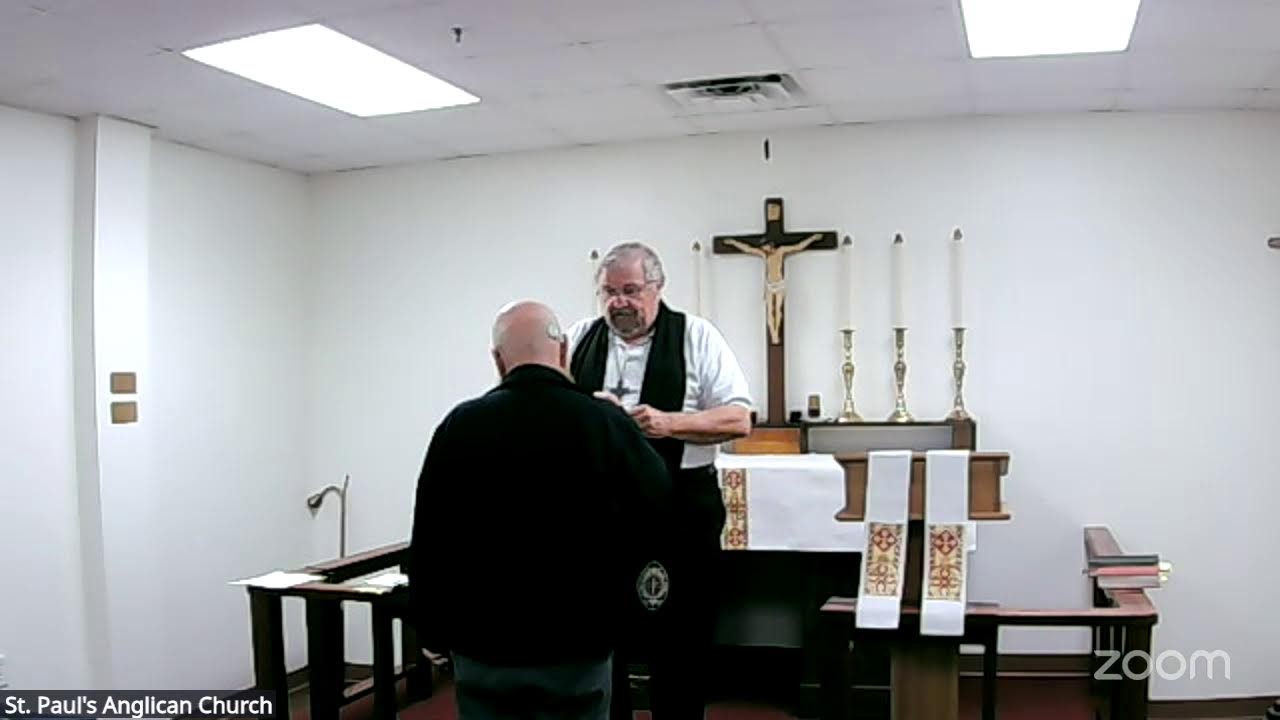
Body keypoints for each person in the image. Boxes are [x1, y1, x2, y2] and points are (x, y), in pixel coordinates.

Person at [407, 300, 672, 720]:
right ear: (564, 351)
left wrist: (433, 629)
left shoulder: (460, 425)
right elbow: (656, 510)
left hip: (485, 643)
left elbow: (430, 537)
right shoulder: (605, 423)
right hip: (578, 643)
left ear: (498, 360)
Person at [566, 241, 754, 719]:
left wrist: (668, 423)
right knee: (602, 634)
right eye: (609, 292)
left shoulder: (696, 336)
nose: (619, 303)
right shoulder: (580, 337)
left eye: (630, 290)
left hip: (681, 509)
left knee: (681, 637)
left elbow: (739, 418)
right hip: (602, 513)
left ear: (657, 288)